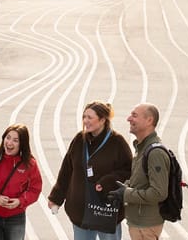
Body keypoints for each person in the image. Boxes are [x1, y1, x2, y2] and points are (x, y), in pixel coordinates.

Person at [48, 101, 133, 240]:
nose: (85, 121)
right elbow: (66, 170)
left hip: (106, 210)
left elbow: (129, 170)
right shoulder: (79, 140)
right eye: (84, 117)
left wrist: (108, 181)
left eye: (90, 117)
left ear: (102, 120)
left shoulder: (117, 142)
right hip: (80, 209)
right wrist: (55, 197)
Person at [107, 103, 169, 240]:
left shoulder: (155, 153)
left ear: (149, 121)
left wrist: (126, 193)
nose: (129, 119)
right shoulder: (141, 148)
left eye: (134, 115)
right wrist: (123, 190)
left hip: (146, 225)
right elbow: (140, 182)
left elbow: (159, 193)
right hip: (138, 222)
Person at [0, 124, 43, 240]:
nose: (10, 143)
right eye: (8, 137)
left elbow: (35, 189)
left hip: (16, 218)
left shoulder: (30, 164)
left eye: (15, 140)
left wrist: (20, 201)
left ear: (22, 144)